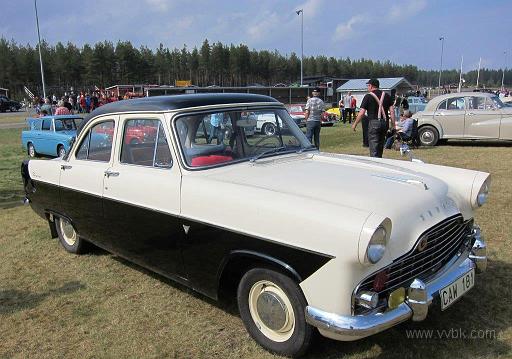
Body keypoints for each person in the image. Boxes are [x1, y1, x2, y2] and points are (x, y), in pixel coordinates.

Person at [352, 79, 395, 158]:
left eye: (368, 86)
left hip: (374, 122)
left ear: (371, 86)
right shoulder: (386, 95)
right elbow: (392, 112)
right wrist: (393, 125)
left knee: (374, 147)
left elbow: (361, 113)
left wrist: (355, 124)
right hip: (385, 123)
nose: (368, 87)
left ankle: (375, 165)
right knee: (380, 146)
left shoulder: (368, 96)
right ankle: (379, 161)